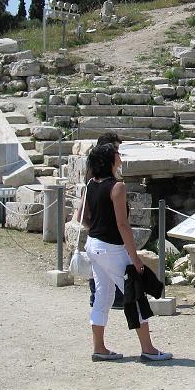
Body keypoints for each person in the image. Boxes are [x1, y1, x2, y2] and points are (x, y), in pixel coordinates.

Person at [82, 143, 171, 362]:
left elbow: (85, 217)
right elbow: (123, 224)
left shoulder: (91, 183)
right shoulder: (118, 187)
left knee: (102, 295)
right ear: (110, 159)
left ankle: (99, 347)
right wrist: (135, 257)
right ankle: (148, 349)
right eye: (116, 153)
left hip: (93, 244)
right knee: (135, 296)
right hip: (111, 249)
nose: (119, 155)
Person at [76, 132, 125, 309]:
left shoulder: (94, 169)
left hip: (96, 234)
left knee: (100, 275)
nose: (118, 153)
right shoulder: (101, 178)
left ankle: (100, 299)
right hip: (105, 233)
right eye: (116, 149)